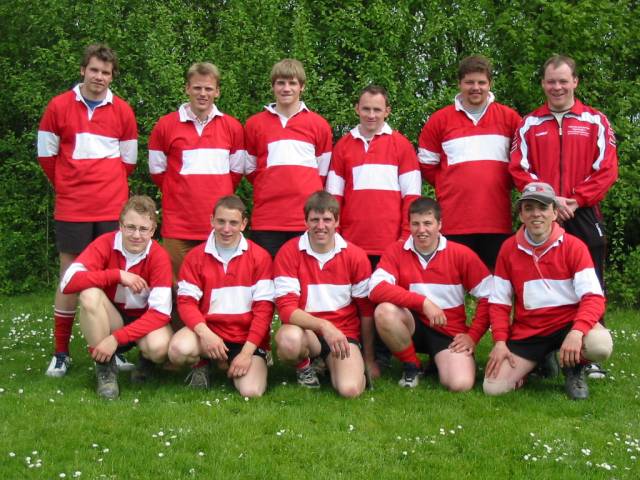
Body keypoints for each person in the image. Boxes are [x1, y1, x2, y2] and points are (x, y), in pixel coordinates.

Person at [509, 55, 618, 378]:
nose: (557, 87)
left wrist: (576, 199)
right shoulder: (529, 124)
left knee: (591, 281)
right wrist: (550, 200)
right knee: (533, 278)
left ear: (575, 82)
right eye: (551, 81)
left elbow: (607, 168)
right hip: (541, 211)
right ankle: (539, 351)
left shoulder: (595, 120)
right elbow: (518, 168)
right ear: (543, 84)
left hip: (582, 211)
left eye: (563, 81)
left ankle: (587, 355)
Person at [38, 44, 139, 377]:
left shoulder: (123, 111)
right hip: (73, 207)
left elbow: (128, 161)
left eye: (106, 72)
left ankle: (114, 346)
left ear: (112, 76)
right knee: (71, 275)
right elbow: (46, 156)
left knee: (112, 275)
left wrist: (106, 186)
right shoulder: (58, 106)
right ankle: (61, 353)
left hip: (111, 207)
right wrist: (70, 185)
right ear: (83, 70)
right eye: (94, 70)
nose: (99, 77)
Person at [483, 182, 613, 400]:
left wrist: (577, 331)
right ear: (521, 215)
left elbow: (593, 297)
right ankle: (540, 361)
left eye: (543, 208)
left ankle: (574, 369)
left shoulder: (574, 246)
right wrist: (500, 342)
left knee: (599, 345)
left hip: (568, 325)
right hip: (530, 331)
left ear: (554, 213)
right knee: (493, 388)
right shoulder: (508, 249)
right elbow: (499, 302)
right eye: (529, 208)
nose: (536, 214)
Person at [326, 85, 421, 377]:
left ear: (387, 111)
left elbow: (412, 197)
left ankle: (384, 355)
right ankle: (351, 353)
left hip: (390, 243)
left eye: (377, 110)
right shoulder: (343, 146)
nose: (371, 115)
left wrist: (405, 237)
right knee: (355, 302)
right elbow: (334, 198)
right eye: (365, 108)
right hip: (352, 243)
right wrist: (336, 236)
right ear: (357, 109)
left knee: (386, 300)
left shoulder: (401, 145)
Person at [369, 197, 492, 391]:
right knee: (384, 312)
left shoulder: (461, 254)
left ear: (439, 224)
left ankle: (439, 361)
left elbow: (490, 295)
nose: (421, 230)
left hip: (448, 330)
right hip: (413, 326)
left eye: (427, 223)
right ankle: (412, 365)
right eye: (415, 224)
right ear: (409, 225)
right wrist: (424, 303)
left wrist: (473, 336)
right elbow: (375, 288)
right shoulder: (396, 251)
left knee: (460, 384)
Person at [59, 196, 173, 399]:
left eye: (143, 229)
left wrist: (115, 339)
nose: (136, 235)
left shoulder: (159, 256)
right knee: (89, 295)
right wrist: (117, 275)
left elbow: (160, 313)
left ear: (153, 230)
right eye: (130, 227)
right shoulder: (104, 243)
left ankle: (146, 361)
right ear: (120, 225)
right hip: (113, 319)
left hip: (144, 323)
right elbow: (67, 283)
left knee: (159, 347)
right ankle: (105, 369)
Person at [418, 55, 521, 270]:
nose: (476, 88)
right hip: (454, 222)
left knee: (495, 285)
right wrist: (451, 183)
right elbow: (427, 166)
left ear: (490, 84)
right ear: (459, 84)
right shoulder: (439, 120)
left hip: (496, 221)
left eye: (481, 82)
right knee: (453, 285)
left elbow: (521, 163)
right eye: (469, 82)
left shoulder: (510, 118)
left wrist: (498, 183)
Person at [148, 62, 246, 283]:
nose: (203, 94)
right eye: (197, 88)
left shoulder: (232, 127)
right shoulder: (165, 125)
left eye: (208, 89)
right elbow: (157, 172)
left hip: (219, 225)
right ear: (187, 88)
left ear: (217, 91)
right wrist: (181, 191)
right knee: (178, 287)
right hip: (178, 224)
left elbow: (236, 173)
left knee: (217, 284)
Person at [168, 196, 274, 397]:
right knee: (178, 349)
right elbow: (186, 303)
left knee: (251, 391)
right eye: (221, 221)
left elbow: (264, 311)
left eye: (233, 223)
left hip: (245, 339)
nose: (226, 229)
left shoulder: (260, 257)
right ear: (212, 220)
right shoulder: (195, 257)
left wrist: (246, 354)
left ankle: (239, 361)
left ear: (243, 224)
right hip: (210, 334)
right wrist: (206, 335)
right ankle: (202, 364)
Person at [274, 191, 373, 398]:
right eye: (314, 220)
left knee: (350, 390)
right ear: (305, 221)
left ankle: (334, 365)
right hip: (306, 332)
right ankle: (305, 365)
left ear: (337, 221)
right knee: (288, 339)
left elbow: (366, 310)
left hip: (343, 333)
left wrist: (369, 358)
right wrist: (325, 326)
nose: (321, 226)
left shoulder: (355, 255)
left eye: (327, 219)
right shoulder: (289, 252)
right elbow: (286, 310)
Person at [244, 59, 333, 257]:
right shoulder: (254, 124)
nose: (286, 88)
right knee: (266, 274)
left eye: (292, 83)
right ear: (272, 86)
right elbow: (250, 170)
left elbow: (322, 172)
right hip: (267, 219)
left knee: (305, 273)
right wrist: (272, 183)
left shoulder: (319, 125)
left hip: (306, 219)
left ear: (302, 86)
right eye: (281, 83)